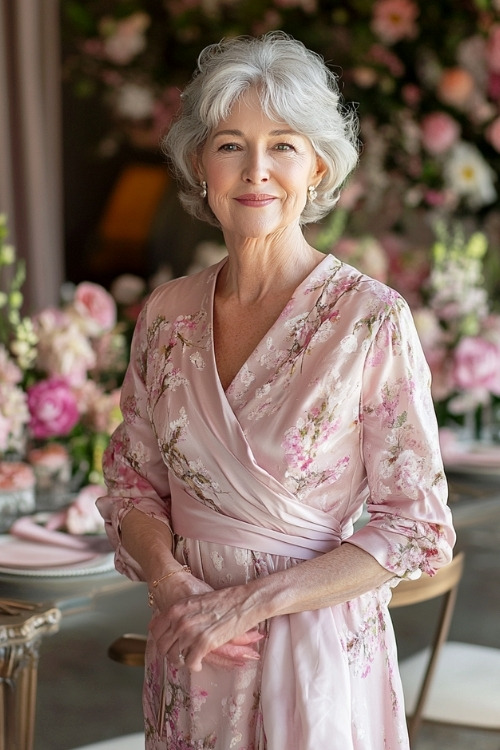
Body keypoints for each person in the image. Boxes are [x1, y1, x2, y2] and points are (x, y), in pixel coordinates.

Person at [97, 32, 455, 750]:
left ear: (318, 163)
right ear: (200, 163)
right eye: (230, 145)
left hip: (314, 655)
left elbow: (418, 526)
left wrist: (249, 605)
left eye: (283, 145)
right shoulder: (166, 314)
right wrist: (173, 586)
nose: (255, 170)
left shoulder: (370, 319)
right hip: (192, 649)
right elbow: (132, 482)